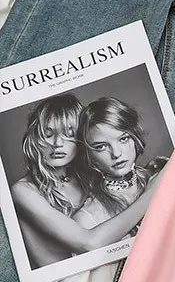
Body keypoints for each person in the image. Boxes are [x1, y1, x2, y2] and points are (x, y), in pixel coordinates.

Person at [9, 94, 163, 269]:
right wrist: (153, 193)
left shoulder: (87, 174)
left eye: (69, 133)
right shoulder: (23, 191)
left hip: (109, 267)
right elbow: (88, 244)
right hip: (68, 280)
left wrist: (146, 174)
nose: (58, 143)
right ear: (34, 138)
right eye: (48, 134)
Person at [72, 97, 168, 234]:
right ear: (88, 154)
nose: (116, 153)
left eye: (123, 139)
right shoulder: (87, 220)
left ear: (135, 137)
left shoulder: (163, 176)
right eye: (101, 147)